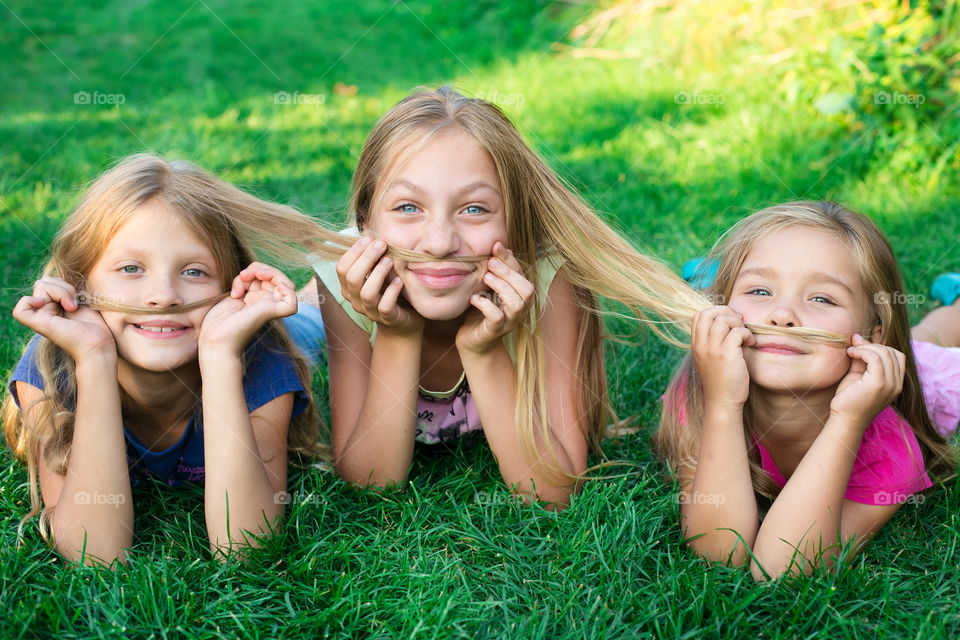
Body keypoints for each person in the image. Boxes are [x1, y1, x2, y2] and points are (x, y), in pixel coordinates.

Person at [309, 87, 698, 507]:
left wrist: (483, 350)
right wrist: (396, 334)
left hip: (444, 282)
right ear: (365, 222)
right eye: (407, 207)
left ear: (515, 223)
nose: (439, 243)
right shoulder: (343, 281)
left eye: (474, 209)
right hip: (361, 288)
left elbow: (553, 492)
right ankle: (306, 302)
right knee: (299, 324)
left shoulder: (549, 279)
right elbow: (370, 483)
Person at [3, 154, 337, 565]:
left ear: (233, 286)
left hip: (279, 332)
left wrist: (219, 357)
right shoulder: (53, 369)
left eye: (194, 272)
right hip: (152, 337)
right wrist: (93, 360)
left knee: (312, 316)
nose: (163, 296)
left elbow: (245, 547)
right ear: (80, 285)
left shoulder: (259, 355)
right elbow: (94, 554)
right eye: (130, 268)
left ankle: (321, 283)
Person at [653, 201, 957, 580]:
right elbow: (718, 552)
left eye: (821, 298)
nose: (782, 316)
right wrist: (723, 405)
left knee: (930, 340)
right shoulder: (703, 393)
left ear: (872, 335)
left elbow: (782, 569)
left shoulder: (889, 448)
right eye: (760, 290)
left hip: (930, 378)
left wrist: (847, 421)